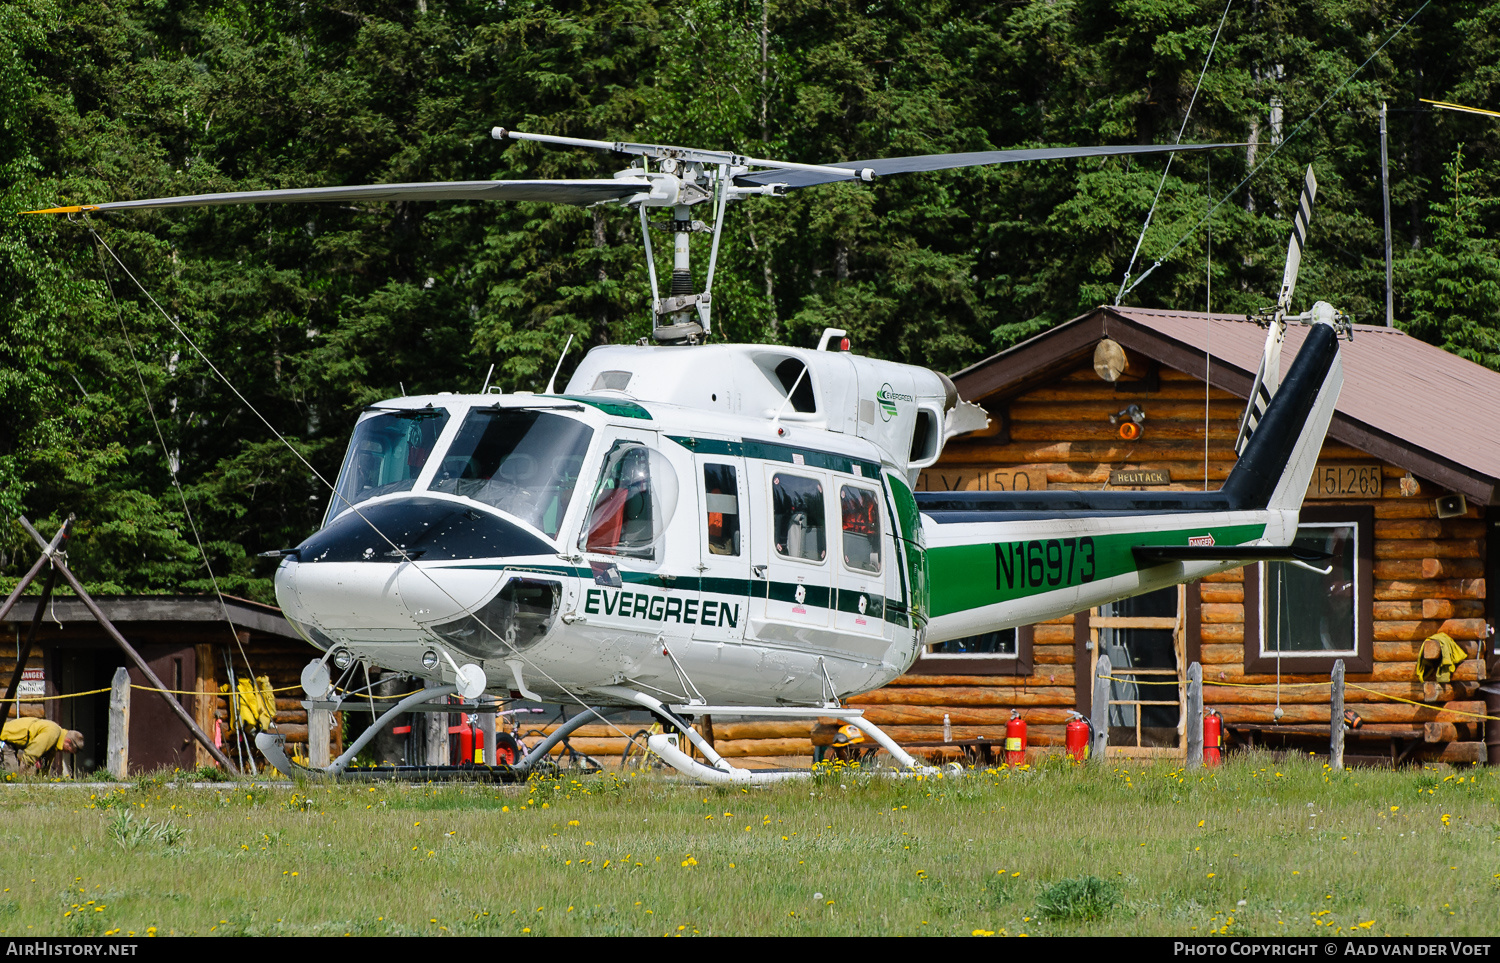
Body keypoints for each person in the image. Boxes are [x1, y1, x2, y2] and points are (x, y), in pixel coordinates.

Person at [1, 717, 83, 775]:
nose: (66, 752)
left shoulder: (56, 740)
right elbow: (31, 754)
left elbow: (45, 765)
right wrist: (22, 779)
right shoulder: (52, 733)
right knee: (12, 773)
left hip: (12, 742)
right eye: (68, 750)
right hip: (4, 737)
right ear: (68, 741)